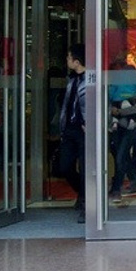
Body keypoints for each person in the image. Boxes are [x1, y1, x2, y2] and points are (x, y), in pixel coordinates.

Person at [107, 61, 136, 202]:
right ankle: (132, 181)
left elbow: (109, 96)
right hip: (131, 123)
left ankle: (116, 189)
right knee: (122, 155)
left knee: (120, 155)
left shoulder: (116, 83)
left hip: (117, 123)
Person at [58, 43, 87, 223]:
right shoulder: (71, 80)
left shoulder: (90, 79)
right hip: (69, 129)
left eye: (69, 57)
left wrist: (90, 123)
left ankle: (86, 204)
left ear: (77, 61)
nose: (67, 60)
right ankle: (83, 193)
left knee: (85, 168)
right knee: (65, 166)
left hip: (84, 130)